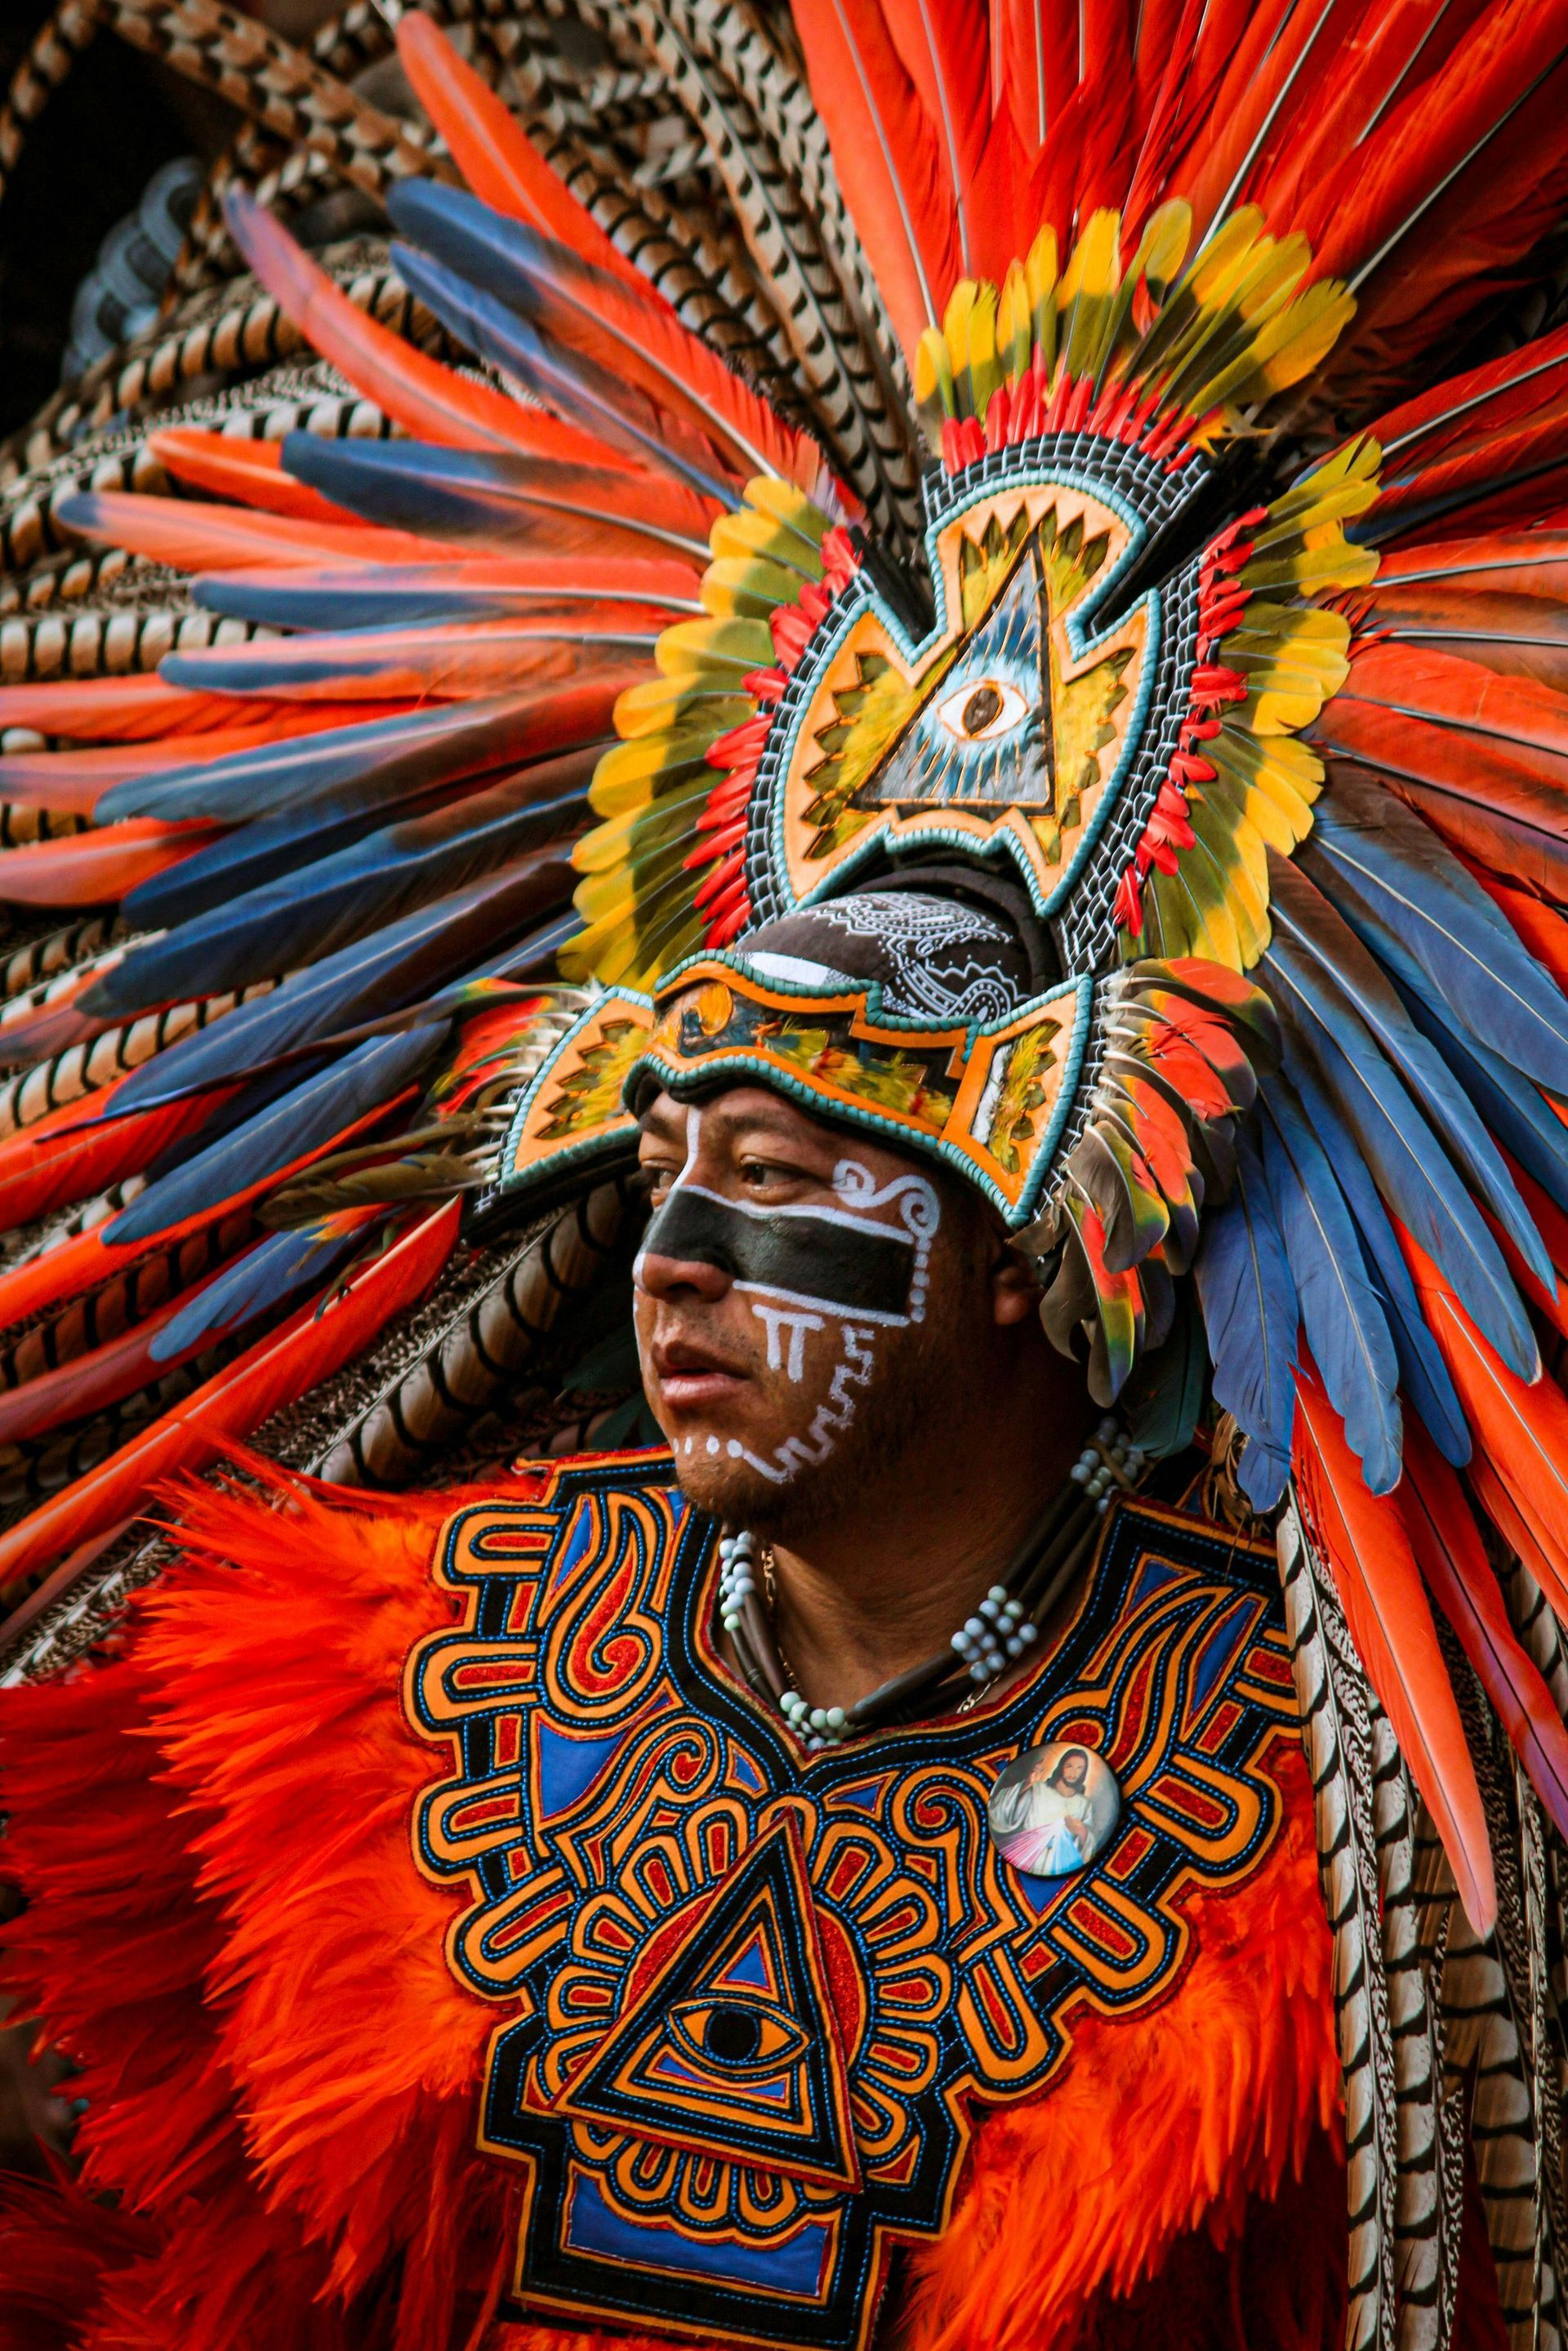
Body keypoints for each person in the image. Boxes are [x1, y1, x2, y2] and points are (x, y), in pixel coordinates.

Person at [0, 5, 1566, 2349]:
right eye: (671, 1164)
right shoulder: (398, 1688)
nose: (680, 1265)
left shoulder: (1267, 1876)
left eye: (795, 1181)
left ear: (1035, 1248)